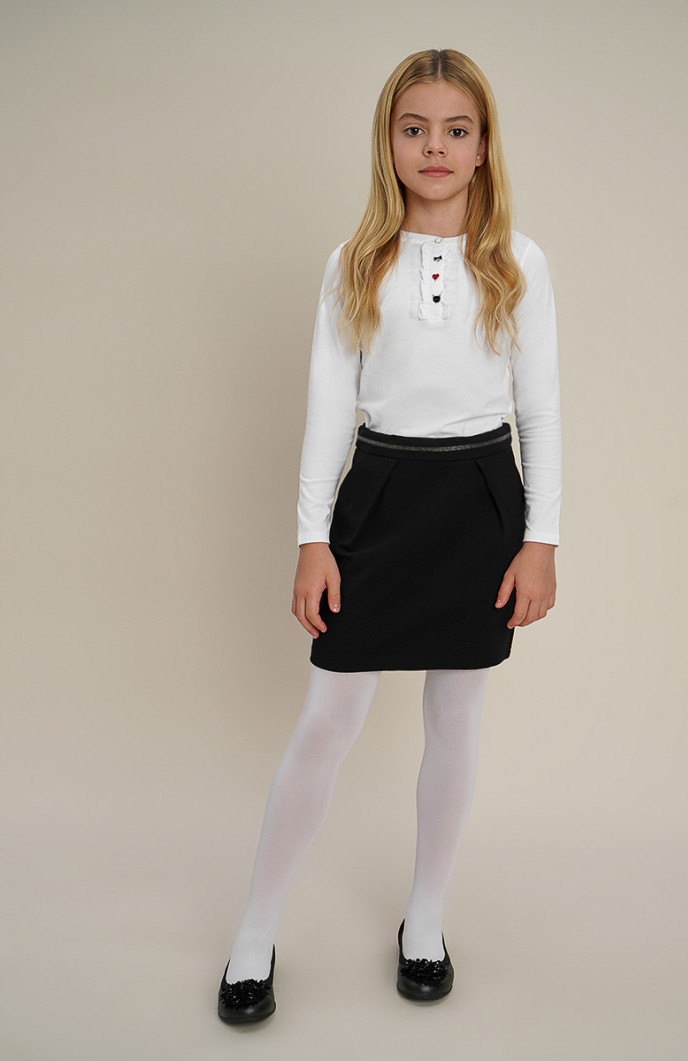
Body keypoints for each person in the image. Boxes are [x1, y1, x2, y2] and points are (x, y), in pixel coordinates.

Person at [217, 47, 561, 1024]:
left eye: (456, 129)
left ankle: (425, 917)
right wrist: (311, 536)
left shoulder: (519, 262)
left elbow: (539, 411)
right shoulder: (353, 262)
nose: (434, 146)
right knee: (328, 718)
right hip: (377, 495)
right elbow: (329, 408)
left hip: (479, 500)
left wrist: (539, 537)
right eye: (415, 128)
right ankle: (255, 929)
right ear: (389, 142)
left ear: (483, 145)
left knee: (455, 716)